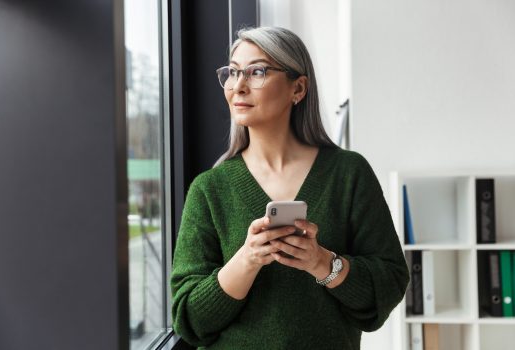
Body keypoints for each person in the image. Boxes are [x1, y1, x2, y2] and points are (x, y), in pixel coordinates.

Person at [171, 26, 409, 349]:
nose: (237, 86)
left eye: (256, 72)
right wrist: (248, 259)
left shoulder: (349, 175)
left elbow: (389, 283)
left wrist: (322, 263)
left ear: (298, 88)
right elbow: (189, 320)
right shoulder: (209, 189)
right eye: (233, 72)